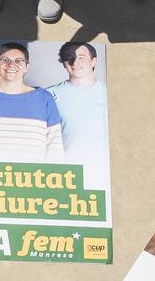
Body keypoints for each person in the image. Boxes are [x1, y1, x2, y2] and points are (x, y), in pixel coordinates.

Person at [46, 41, 109, 190]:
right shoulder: (50, 95)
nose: (75, 62)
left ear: (94, 61)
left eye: (81, 57)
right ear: (63, 64)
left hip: (105, 172)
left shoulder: (110, 92)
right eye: (69, 57)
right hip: (68, 174)